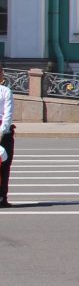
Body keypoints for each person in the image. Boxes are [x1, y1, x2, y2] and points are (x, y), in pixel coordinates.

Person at [0, 77, 14, 208]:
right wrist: (2, 131)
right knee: (4, 166)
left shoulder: (5, 91)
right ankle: (2, 198)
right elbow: (7, 114)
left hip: (3, 133)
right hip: (4, 135)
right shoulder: (5, 91)